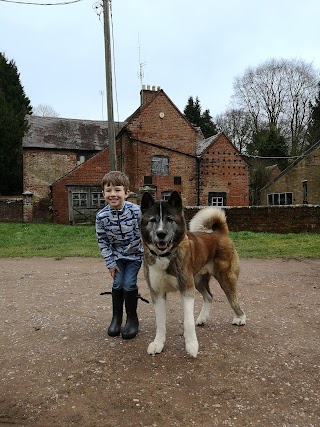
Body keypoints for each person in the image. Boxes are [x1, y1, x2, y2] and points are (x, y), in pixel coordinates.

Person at [95, 171, 143, 339]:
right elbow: (102, 241)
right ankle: (116, 318)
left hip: (135, 256)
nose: (113, 194)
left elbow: (146, 232)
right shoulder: (101, 217)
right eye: (108, 191)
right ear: (103, 194)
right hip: (116, 258)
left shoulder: (137, 212)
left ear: (126, 193)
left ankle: (132, 319)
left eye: (117, 190)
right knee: (117, 285)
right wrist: (110, 262)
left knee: (128, 284)